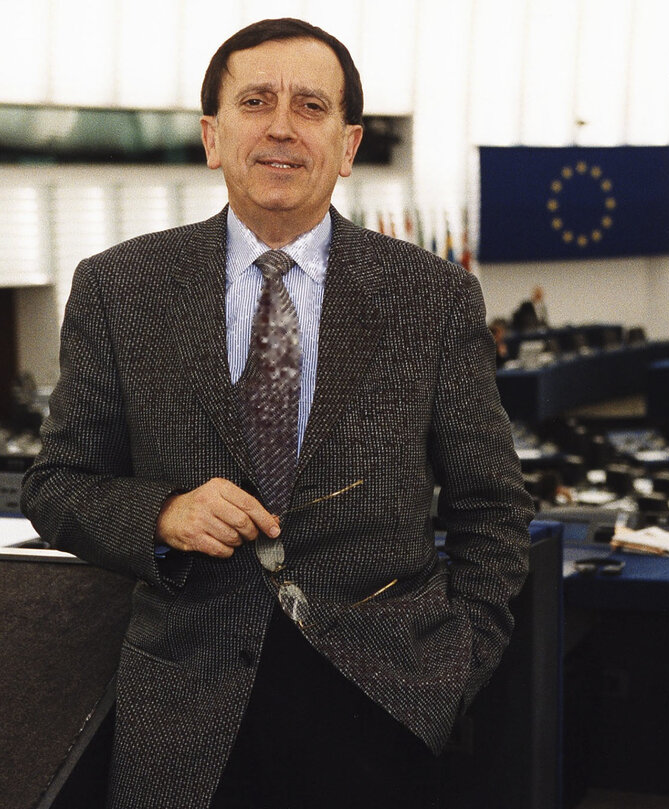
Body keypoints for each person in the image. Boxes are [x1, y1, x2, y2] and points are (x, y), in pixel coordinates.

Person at [21, 18, 533, 809]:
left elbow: (493, 506)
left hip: (382, 704)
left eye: (311, 106)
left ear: (350, 143)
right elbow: (56, 484)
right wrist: (159, 512)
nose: (282, 127)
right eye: (256, 101)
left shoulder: (431, 296)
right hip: (185, 707)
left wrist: (453, 669)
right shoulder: (119, 288)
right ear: (212, 137)